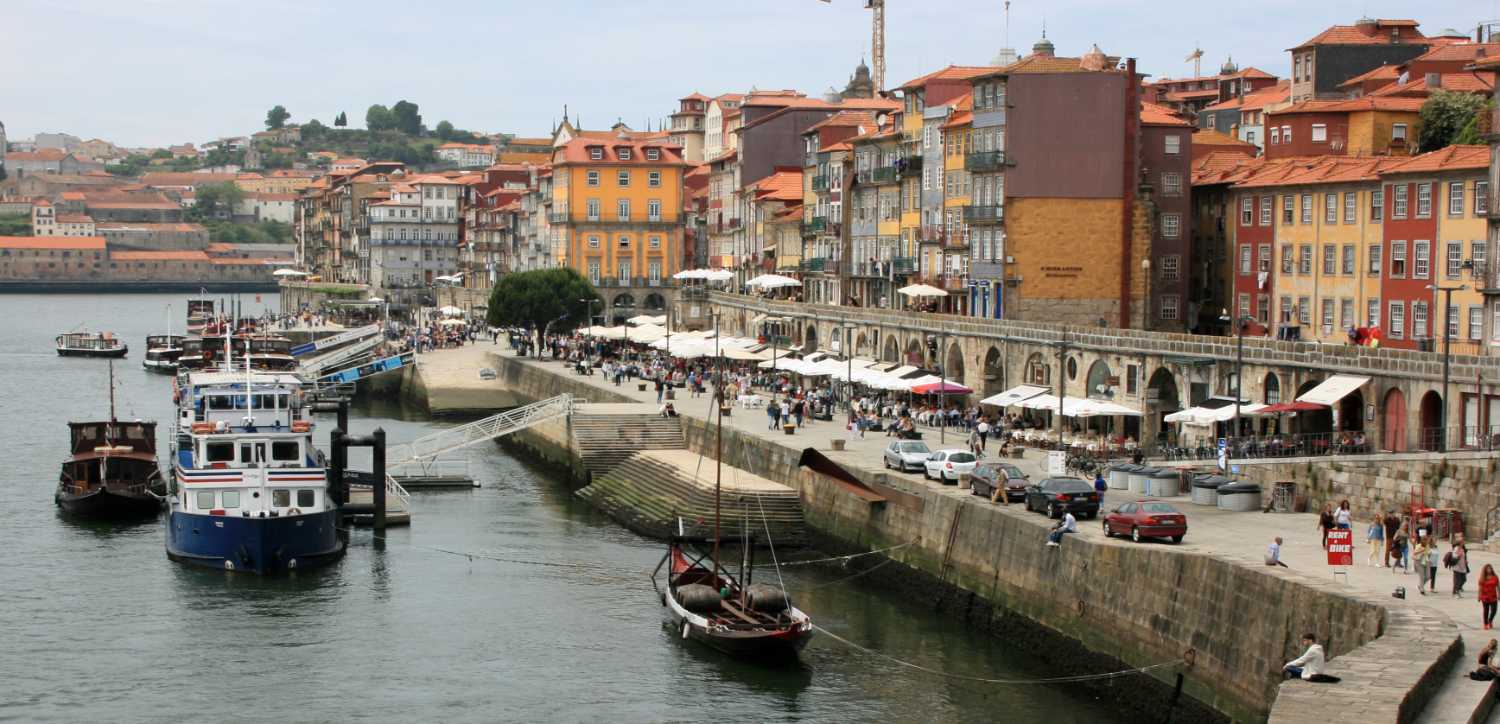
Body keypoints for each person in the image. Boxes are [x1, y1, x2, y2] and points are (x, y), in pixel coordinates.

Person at [1482, 565, 1500, 630]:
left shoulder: (1495, 577)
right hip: (1485, 596)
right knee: (1486, 611)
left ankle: (1490, 620)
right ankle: (1485, 624)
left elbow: (1498, 586)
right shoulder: (1483, 577)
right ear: (1485, 570)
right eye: (1488, 569)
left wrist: (1499, 594)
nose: (1489, 570)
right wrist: (1479, 596)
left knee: (1494, 610)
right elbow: (1480, 587)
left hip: (1493, 596)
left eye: (1490, 569)